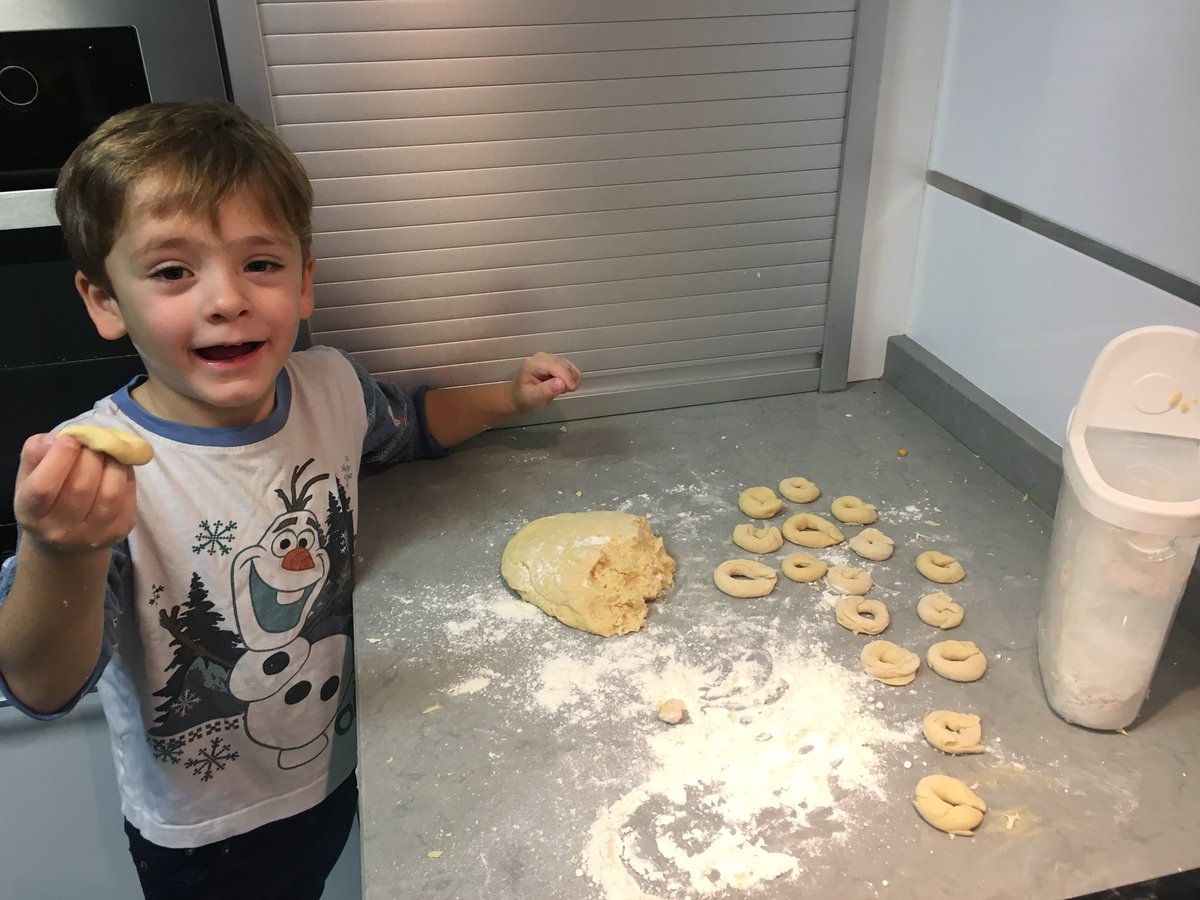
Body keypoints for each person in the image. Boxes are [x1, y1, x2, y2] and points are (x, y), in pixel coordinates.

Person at [0, 99, 581, 899]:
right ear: (105, 300)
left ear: (305, 283)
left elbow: (407, 424)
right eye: (173, 271)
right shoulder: (95, 470)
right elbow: (39, 683)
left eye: (261, 264)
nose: (227, 298)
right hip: (211, 838)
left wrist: (504, 400)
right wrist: (61, 550)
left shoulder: (330, 387)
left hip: (337, 765)